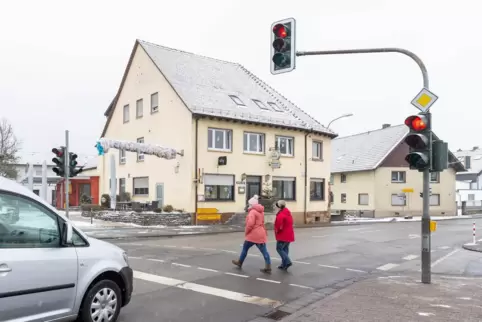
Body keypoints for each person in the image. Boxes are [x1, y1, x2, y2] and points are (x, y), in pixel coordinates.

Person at [232, 196, 272, 273]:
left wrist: (246, 232)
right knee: (264, 251)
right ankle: (268, 266)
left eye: (249, 204)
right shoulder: (261, 212)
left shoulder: (252, 212)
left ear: (251, 204)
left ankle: (240, 262)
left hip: (252, 234)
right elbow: (262, 222)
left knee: (245, 249)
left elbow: (250, 224)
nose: (248, 205)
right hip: (261, 233)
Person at [274, 200, 295, 270]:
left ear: (279, 207)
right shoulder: (288, 213)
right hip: (289, 235)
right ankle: (284, 264)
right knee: (285, 249)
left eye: (276, 206)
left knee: (279, 249)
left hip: (283, 235)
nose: (275, 208)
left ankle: (288, 262)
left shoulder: (281, 215)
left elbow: (279, 226)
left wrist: (277, 231)